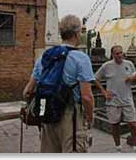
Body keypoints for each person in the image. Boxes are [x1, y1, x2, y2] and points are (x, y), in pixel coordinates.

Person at [23, 15, 95, 153]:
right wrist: (90, 118)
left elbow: (27, 91)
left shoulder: (45, 56)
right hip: (71, 116)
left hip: (47, 116)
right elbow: (87, 97)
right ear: (76, 33)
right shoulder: (81, 58)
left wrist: (38, 109)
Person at [94, 45, 136, 153]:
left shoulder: (129, 64)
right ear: (112, 55)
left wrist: (133, 78)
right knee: (115, 124)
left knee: (133, 124)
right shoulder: (107, 66)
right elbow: (95, 78)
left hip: (127, 99)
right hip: (113, 100)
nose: (119, 55)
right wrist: (104, 91)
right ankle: (118, 146)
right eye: (117, 53)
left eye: (121, 53)